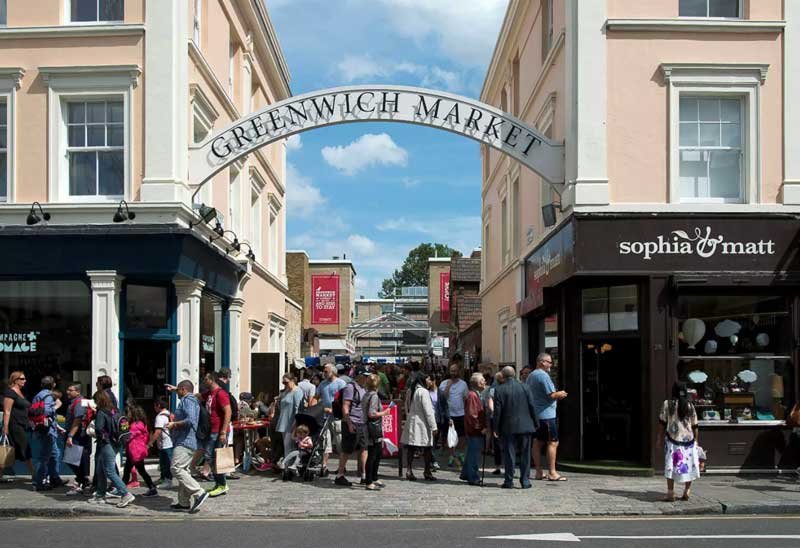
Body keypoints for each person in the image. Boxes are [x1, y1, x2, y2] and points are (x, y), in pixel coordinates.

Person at [166, 380, 209, 513]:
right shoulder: (189, 398)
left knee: (176, 468)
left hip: (185, 441)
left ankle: (199, 492)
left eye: (178, 390)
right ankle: (184, 503)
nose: (177, 393)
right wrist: (175, 389)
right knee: (184, 470)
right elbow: (184, 390)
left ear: (183, 389)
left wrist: (174, 424)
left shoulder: (188, 400)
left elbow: (191, 420)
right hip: (187, 441)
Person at [494, 366, 538, 489]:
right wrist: (535, 422)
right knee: (525, 454)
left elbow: (498, 411)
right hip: (525, 425)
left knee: (509, 454)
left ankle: (509, 481)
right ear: (514, 375)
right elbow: (532, 406)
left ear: (502, 376)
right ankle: (525, 481)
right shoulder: (525, 387)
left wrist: (495, 428)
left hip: (508, 426)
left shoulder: (499, 389)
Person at [89, 390, 135, 507]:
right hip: (117, 442)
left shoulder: (101, 412)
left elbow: (99, 428)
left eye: (95, 401)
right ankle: (100, 495)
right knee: (100, 468)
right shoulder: (115, 410)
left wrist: (92, 430)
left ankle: (125, 494)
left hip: (106, 443)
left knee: (109, 471)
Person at [527, 352, 568, 481]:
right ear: (541, 362)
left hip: (537, 415)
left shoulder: (531, 375)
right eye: (549, 362)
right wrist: (560, 393)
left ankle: (538, 472)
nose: (551, 364)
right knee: (553, 442)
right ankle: (552, 472)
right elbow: (551, 395)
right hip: (547, 415)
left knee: (537, 443)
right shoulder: (543, 376)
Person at [658, 381, 700, 502]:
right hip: (689, 441)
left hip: (673, 441)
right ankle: (687, 490)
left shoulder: (667, 404)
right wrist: (696, 440)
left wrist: (658, 439)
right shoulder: (690, 405)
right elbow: (695, 425)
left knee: (671, 465)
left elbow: (661, 423)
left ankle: (670, 492)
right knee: (689, 465)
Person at [401, 371, 438, 481]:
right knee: (427, 447)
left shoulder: (412, 390)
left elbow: (406, 405)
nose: (429, 381)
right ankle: (427, 471)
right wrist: (434, 426)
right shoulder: (423, 391)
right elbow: (428, 411)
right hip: (422, 423)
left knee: (411, 448)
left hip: (412, 420)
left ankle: (409, 469)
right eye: (427, 379)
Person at [335, 366, 369, 487]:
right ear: (359, 376)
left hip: (362, 422)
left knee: (364, 448)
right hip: (352, 421)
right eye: (365, 376)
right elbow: (345, 406)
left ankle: (364, 474)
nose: (367, 378)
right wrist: (349, 422)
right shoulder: (351, 387)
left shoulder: (364, 388)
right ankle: (340, 474)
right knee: (347, 450)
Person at [202, 371, 232, 497]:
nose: (204, 381)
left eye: (206, 379)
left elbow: (228, 412)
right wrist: (177, 389)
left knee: (215, 458)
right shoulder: (209, 394)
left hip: (218, 431)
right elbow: (197, 396)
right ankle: (219, 483)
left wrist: (223, 432)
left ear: (212, 379)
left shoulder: (221, 394)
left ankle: (222, 484)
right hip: (212, 430)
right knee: (210, 457)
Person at [31, 376, 65, 491]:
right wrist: (57, 406)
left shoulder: (38, 395)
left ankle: (55, 478)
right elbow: (47, 411)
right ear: (53, 385)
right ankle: (39, 482)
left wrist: (57, 426)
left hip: (44, 428)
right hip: (47, 431)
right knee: (44, 457)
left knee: (55, 454)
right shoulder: (48, 396)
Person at [1, 372, 34, 482]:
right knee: (25, 448)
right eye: (22, 379)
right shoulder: (10, 393)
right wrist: (5, 428)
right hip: (14, 425)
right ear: (15, 380)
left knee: (11, 451)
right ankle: (34, 474)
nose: (25, 381)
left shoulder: (20, 393)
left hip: (22, 424)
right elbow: (7, 411)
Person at [316, 363, 346, 476]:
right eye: (323, 371)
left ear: (333, 372)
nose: (323, 373)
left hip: (337, 418)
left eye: (326, 371)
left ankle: (342, 467)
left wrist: (335, 410)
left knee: (339, 443)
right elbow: (316, 397)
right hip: (325, 417)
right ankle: (324, 466)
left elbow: (344, 400)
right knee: (325, 443)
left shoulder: (341, 383)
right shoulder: (322, 384)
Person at [122, 405, 157, 497]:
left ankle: (121, 489)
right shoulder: (142, 424)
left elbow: (128, 436)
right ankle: (152, 487)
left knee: (128, 470)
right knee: (140, 470)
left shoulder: (135, 425)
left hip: (134, 451)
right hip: (138, 450)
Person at [364, 373, 391, 490]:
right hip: (373, 428)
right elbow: (372, 413)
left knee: (376, 453)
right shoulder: (374, 396)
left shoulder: (366, 394)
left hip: (368, 426)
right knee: (373, 455)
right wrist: (384, 413)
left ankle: (374, 477)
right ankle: (369, 480)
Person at [64, 383, 92, 495]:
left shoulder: (79, 403)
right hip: (74, 434)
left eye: (70, 390)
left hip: (77, 435)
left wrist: (70, 435)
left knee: (73, 460)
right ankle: (82, 481)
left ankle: (82, 481)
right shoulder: (74, 402)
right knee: (72, 460)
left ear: (78, 392)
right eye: (68, 389)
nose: (68, 392)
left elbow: (78, 420)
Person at [274, 374, 305, 470]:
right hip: (283, 421)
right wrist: (278, 402)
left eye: (286, 382)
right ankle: (288, 466)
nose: (284, 384)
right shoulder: (285, 392)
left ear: (292, 380)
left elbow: (298, 409)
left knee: (289, 446)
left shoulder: (297, 391)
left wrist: (295, 424)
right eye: (283, 382)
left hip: (292, 422)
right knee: (286, 445)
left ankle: (287, 466)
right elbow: (281, 407)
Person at [440, 364, 468, 467]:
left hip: (460, 413)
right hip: (449, 415)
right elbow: (442, 398)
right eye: (452, 371)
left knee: (461, 435)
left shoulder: (463, 384)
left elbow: (466, 398)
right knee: (450, 436)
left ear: (459, 371)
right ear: (449, 371)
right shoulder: (443, 383)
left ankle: (460, 453)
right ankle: (451, 455)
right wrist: (448, 386)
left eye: (455, 371)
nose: (453, 373)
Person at [461, 372, 486, 486]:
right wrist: (479, 428)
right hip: (475, 430)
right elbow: (472, 415)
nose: (485, 382)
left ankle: (466, 473)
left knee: (471, 452)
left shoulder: (475, 394)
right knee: (474, 454)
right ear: (478, 383)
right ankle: (473, 477)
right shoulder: (472, 395)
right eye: (483, 380)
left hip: (474, 430)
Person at [149, 396, 173, 488]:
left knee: (166, 463)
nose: (154, 408)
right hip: (169, 442)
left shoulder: (160, 417)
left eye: (155, 406)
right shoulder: (169, 414)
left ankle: (168, 481)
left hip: (165, 443)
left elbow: (158, 431)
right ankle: (163, 478)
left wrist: (150, 442)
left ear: (158, 405)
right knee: (163, 462)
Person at [486, 371, 505, 475]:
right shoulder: (494, 389)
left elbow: (490, 403)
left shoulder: (494, 389)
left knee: (499, 442)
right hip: (501, 418)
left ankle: (499, 465)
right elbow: (490, 402)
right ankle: (499, 465)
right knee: (500, 442)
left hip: (499, 418)